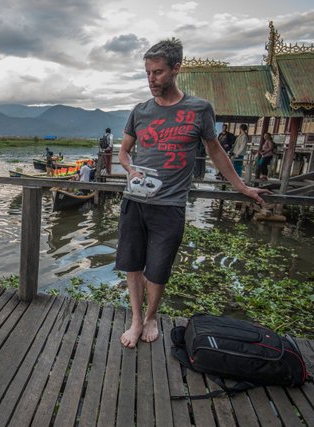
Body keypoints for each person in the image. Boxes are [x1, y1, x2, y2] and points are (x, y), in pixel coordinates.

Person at [116, 38, 270, 349]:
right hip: (135, 200)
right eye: (147, 73)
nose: (151, 79)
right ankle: (135, 319)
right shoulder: (140, 111)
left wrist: (241, 187)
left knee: (158, 270)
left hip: (170, 204)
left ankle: (150, 317)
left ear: (176, 69)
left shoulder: (199, 109)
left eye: (158, 72)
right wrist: (130, 169)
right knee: (133, 264)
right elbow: (124, 152)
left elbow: (216, 153)